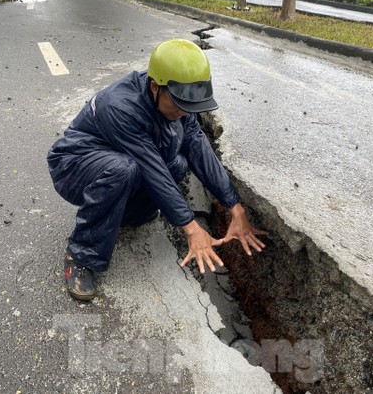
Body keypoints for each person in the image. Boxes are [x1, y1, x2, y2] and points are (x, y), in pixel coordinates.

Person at [47, 38, 267, 301]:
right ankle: (81, 255)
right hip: (75, 166)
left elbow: (199, 148)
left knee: (178, 163)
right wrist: (191, 228)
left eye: (191, 107)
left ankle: (124, 215)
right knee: (124, 169)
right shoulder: (119, 106)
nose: (185, 113)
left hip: (120, 161)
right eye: (179, 105)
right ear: (155, 86)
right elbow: (151, 169)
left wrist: (235, 207)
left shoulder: (179, 102)